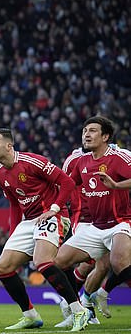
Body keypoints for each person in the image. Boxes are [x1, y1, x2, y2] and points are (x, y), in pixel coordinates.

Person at [0, 128, 89, 331]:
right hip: (30, 220)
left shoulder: (32, 162)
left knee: (42, 261)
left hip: (53, 214)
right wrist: (13, 232)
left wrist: (54, 209)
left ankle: (79, 310)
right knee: (2, 267)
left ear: (9, 146)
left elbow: (66, 182)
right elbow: (15, 205)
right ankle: (30, 316)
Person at [53, 116, 131, 323]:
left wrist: (116, 186)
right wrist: (50, 204)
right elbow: (67, 184)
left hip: (121, 222)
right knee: (58, 262)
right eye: (84, 130)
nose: (86, 134)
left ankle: (100, 294)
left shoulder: (119, 157)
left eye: (93, 131)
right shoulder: (81, 161)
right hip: (94, 226)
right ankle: (77, 306)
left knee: (117, 263)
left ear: (106, 136)